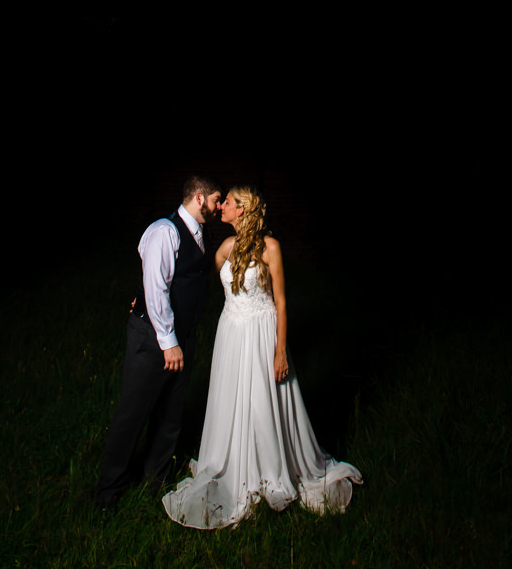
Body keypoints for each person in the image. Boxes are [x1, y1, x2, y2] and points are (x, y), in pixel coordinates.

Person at [162, 185, 362, 528]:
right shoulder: (226, 247)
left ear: (243, 210)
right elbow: (193, 281)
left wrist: (280, 351)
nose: (221, 205)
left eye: (227, 202)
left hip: (262, 333)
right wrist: (151, 293)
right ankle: (234, 464)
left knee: (263, 400)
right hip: (232, 334)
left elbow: (282, 302)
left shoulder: (271, 248)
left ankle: (271, 467)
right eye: (220, 200)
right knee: (233, 399)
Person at [95, 175, 222, 511]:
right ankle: (109, 491)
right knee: (133, 413)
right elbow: (156, 288)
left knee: (170, 413)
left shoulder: (202, 234)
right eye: (216, 199)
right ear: (199, 197)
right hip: (155, 340)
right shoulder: (163, 231)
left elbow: (192, 277)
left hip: (184, 340)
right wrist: (169, 342)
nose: (219, 206)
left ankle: (157, 480)